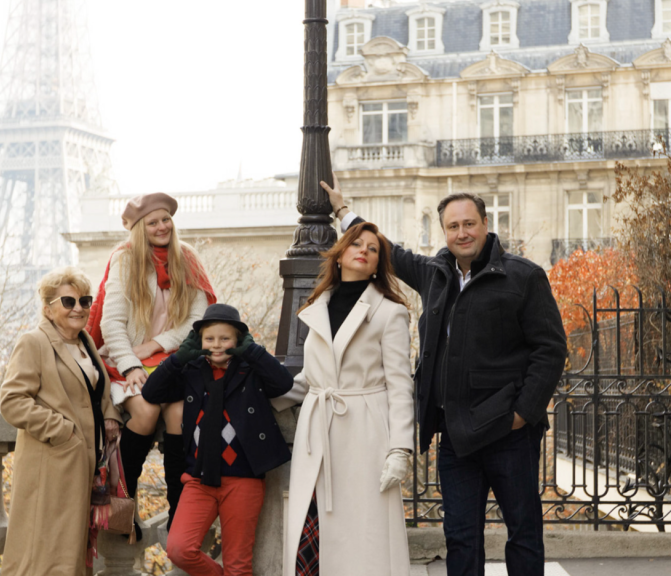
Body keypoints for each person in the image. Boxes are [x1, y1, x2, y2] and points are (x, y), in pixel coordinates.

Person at [320, 176, 567, 576]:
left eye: (469, 223)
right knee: (460, 537)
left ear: (486, 224)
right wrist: (343, 211)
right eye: (453, 226)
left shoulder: (523, 276)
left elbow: (551, 348)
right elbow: (388, 251)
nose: (462, 232)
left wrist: (524, 412)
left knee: (523, 533)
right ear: (444, 232)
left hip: (509, 432)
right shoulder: (435, 273)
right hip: (454, 435)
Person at [273, 221, 415, 576]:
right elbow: (312, 378)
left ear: (378, 263)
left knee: (364, 531)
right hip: (317, 429)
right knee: (313, 517)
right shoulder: (317, 305)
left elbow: (400, 384)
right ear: (340, 255)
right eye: (357, 244)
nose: (364, 251)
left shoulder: (389, 311)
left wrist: (400, 449)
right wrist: (264, 398)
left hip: (365, 431)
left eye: (373, 249)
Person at [141, 304, 294, 576]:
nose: (217, 345)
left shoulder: (251, 369)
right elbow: (152, 393)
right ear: (199, 341)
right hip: (199, 479)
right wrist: (177, 359)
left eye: (225, 338)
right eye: (209, 339)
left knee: (238, 564)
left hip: (244, 479)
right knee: (179, 548)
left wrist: (253, 351)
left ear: (238, 340)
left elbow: (283, 383)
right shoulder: (191, 370)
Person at [96, 192, 216, 531]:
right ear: (139, 228)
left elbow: (198, 321)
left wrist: (157, 343)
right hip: (127, 360)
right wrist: (132, 362)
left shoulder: (187, 257)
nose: (162, 226)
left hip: (175, 360)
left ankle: (179, 512)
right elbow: (111, 323)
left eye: (166, 219)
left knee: (179, 412)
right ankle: (122, 504)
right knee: (146, 411)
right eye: (153, 222)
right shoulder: (124, 259)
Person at [0, 266, 122, 576]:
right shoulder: (34, 342)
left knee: (72, 554)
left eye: (84, 301)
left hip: (85, 465)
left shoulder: (85, 342)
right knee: (42, 554)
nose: (78, 308)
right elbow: (12, 402)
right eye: (68, 302)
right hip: (51, 465)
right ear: (48, 307)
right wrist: (63, 432)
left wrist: (109, 414)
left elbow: (97, 389)